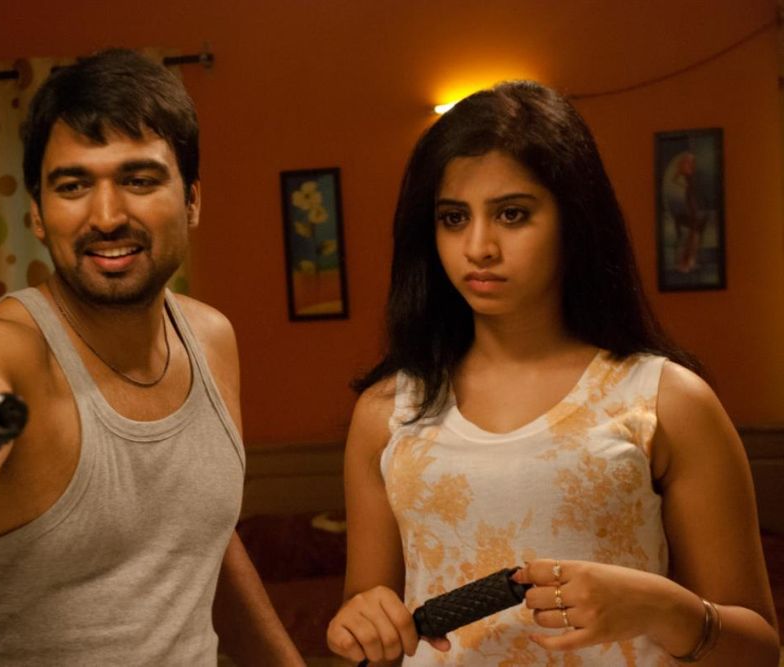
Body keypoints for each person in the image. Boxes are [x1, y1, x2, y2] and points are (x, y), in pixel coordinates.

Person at [0, 48, 303, 666]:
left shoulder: (211, 337)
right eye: (72, 186)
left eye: (139, 180)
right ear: (38, 215)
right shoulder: (9, 349)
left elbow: (198, 542)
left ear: (193, 200)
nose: (107, 216)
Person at [326, 81, 779, 665]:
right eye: (454, 218)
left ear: (575, 219)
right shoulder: (388, 412)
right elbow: (370, 636)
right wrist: (358, 626)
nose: (479, 247)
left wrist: (663, 608)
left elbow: (759, 651)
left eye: (512, 214)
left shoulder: (665, 400)